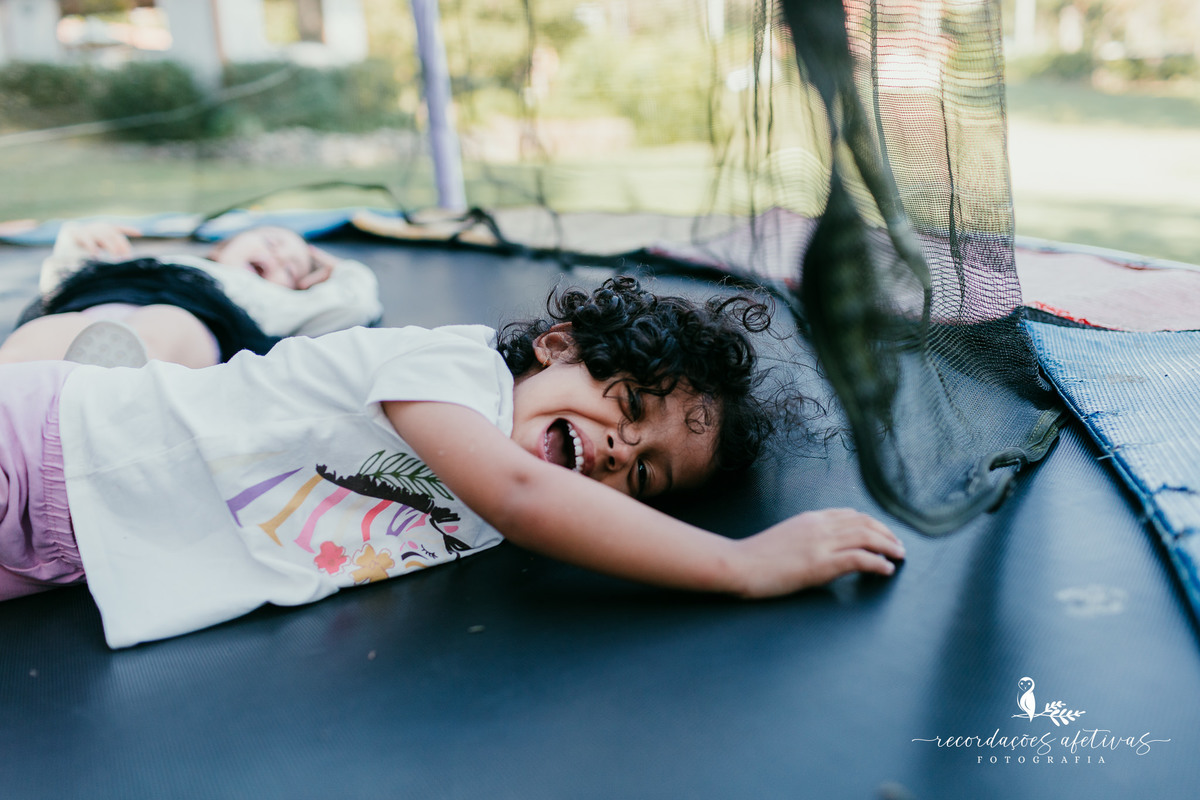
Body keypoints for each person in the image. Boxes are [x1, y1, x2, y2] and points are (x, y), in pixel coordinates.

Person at [0, 277, 904, 648]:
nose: (624, 451)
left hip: (70, 551)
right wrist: (739, 565)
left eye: (648, 476)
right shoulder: (449, 369)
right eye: (627, 410)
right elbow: (521, 496)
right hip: (47, 446)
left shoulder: (486, 504)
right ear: (556, 347)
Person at [0, 220, 383, 367]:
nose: (279, 255)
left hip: (199, 319)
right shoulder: (162, 261)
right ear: (223, 246)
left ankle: (117, 380)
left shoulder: (273, 301)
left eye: (291, 268)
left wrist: (331, 265)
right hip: (99, 307)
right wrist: (76, 242)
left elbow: (355, 303)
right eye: (271, 241)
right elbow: (64, 285)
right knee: (51, 330)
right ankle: (13, 374)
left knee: (163, 328)